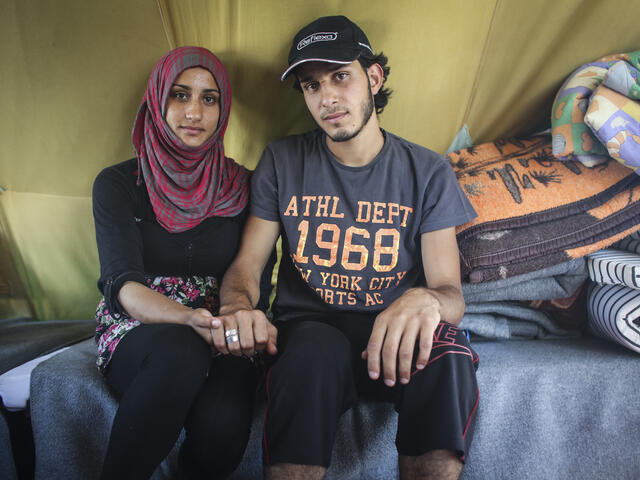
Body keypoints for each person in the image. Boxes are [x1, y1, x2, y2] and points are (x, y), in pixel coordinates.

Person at [218, 15, 479, 480]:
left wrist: (425, 299)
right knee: (310, 356)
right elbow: (246, 266)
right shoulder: (282, 160)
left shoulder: (427, 170)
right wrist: (238, 308)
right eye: (311, 86)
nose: (328, 98)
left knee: (447, 353)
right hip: (312, 330)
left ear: (373, 78)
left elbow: (451, 295)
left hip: (396, 332)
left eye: (341, 76)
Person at [92, 46, 276, 480]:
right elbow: (124, 285)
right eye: (179, 95)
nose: (194, 112)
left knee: (224, 423)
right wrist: (189, 319)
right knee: (180, 352)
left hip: (226, 327)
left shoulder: (245, 186)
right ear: (157, 100)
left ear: (223, 109)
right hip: (142, 325)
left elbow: (255, 278)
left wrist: (231, 320)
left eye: (209, 98)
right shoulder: (119, 184)